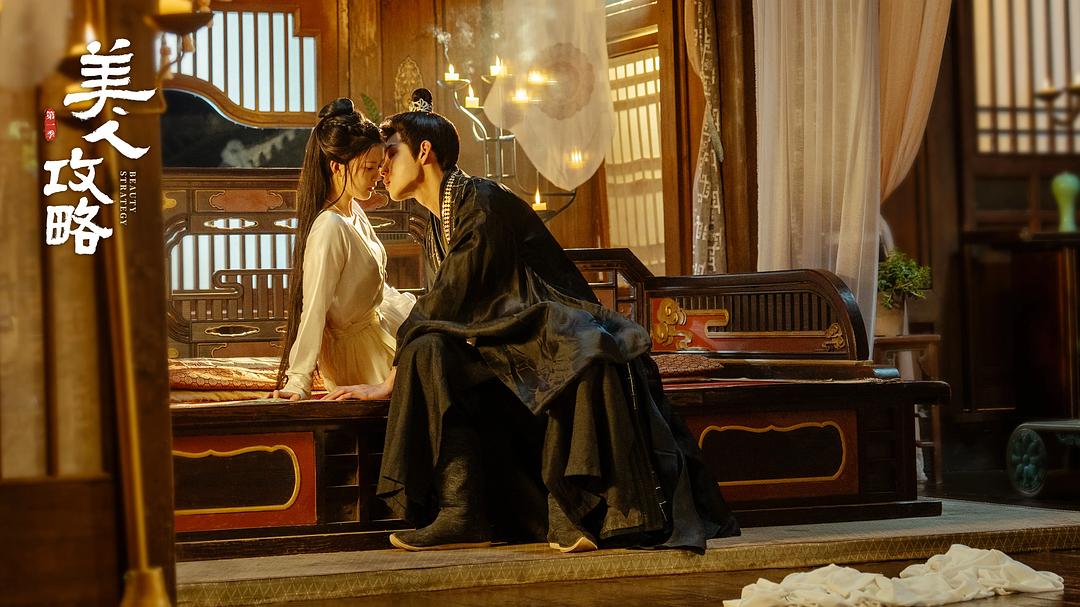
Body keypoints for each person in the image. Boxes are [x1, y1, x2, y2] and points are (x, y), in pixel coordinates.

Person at [327, 89, 738, 553]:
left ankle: (576, 512)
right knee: (428, 348)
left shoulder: (481, 201)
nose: (382, 167)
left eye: (392, 153)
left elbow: (449, 298)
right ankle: (463, 514)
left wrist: (387, 381)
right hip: (510, 334)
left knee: (574, 357)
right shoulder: (439, 220)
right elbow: (450, 311)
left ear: (424, 152)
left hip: (548, 321)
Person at [272, 98, 415, 400]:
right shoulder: (329, 227)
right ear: (337, 167)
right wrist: (298, 380)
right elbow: (314, 308)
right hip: (359, 355)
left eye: (379, 166)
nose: (379, 176)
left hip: (379, 327)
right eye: (370, 167)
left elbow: (376, 287)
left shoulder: (353, 210)